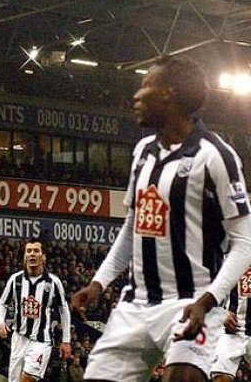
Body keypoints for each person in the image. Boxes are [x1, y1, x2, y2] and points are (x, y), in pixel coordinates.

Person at [70, 55, 251, 382]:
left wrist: (208, 302)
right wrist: (99, 282)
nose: (136, 97)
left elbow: (244, 243)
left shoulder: (215, 156)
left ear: (168, 94)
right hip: (135, 306)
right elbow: (132, 228)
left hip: (192, 301)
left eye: (145, 87)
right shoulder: (142, 153)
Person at [0, 240, 72, 382]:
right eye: (28, 251)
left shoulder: (53, 282)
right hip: (18, 338)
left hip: (41, 340)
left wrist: (66, 340)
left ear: (43, 256)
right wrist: (0, 322)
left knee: (28, 379)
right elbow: (2, 304)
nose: (32, 254)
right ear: (24, 256)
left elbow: (64, 310)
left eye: (36, 251)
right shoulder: (15, 280)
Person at [212, 267, 251, 382]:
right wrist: (220, 313)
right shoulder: (230, 258)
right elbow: (212, 287)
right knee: (220, 376)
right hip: (232, 330)